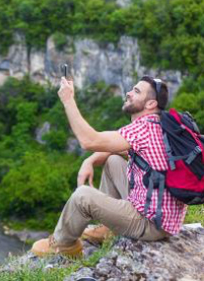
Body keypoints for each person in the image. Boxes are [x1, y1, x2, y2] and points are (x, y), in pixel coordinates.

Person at [31, 76, 187, 257]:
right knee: (114, 161)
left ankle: (63, 245)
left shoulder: (143, 130)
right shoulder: (159, 125)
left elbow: (89, 141)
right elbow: (113, 146)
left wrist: (68, 99)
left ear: (151, 103)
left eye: (136, 91)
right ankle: (107, 228)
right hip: (163, 215)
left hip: (151, 224)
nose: (128, 93)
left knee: (82, 196)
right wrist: (89, 161)